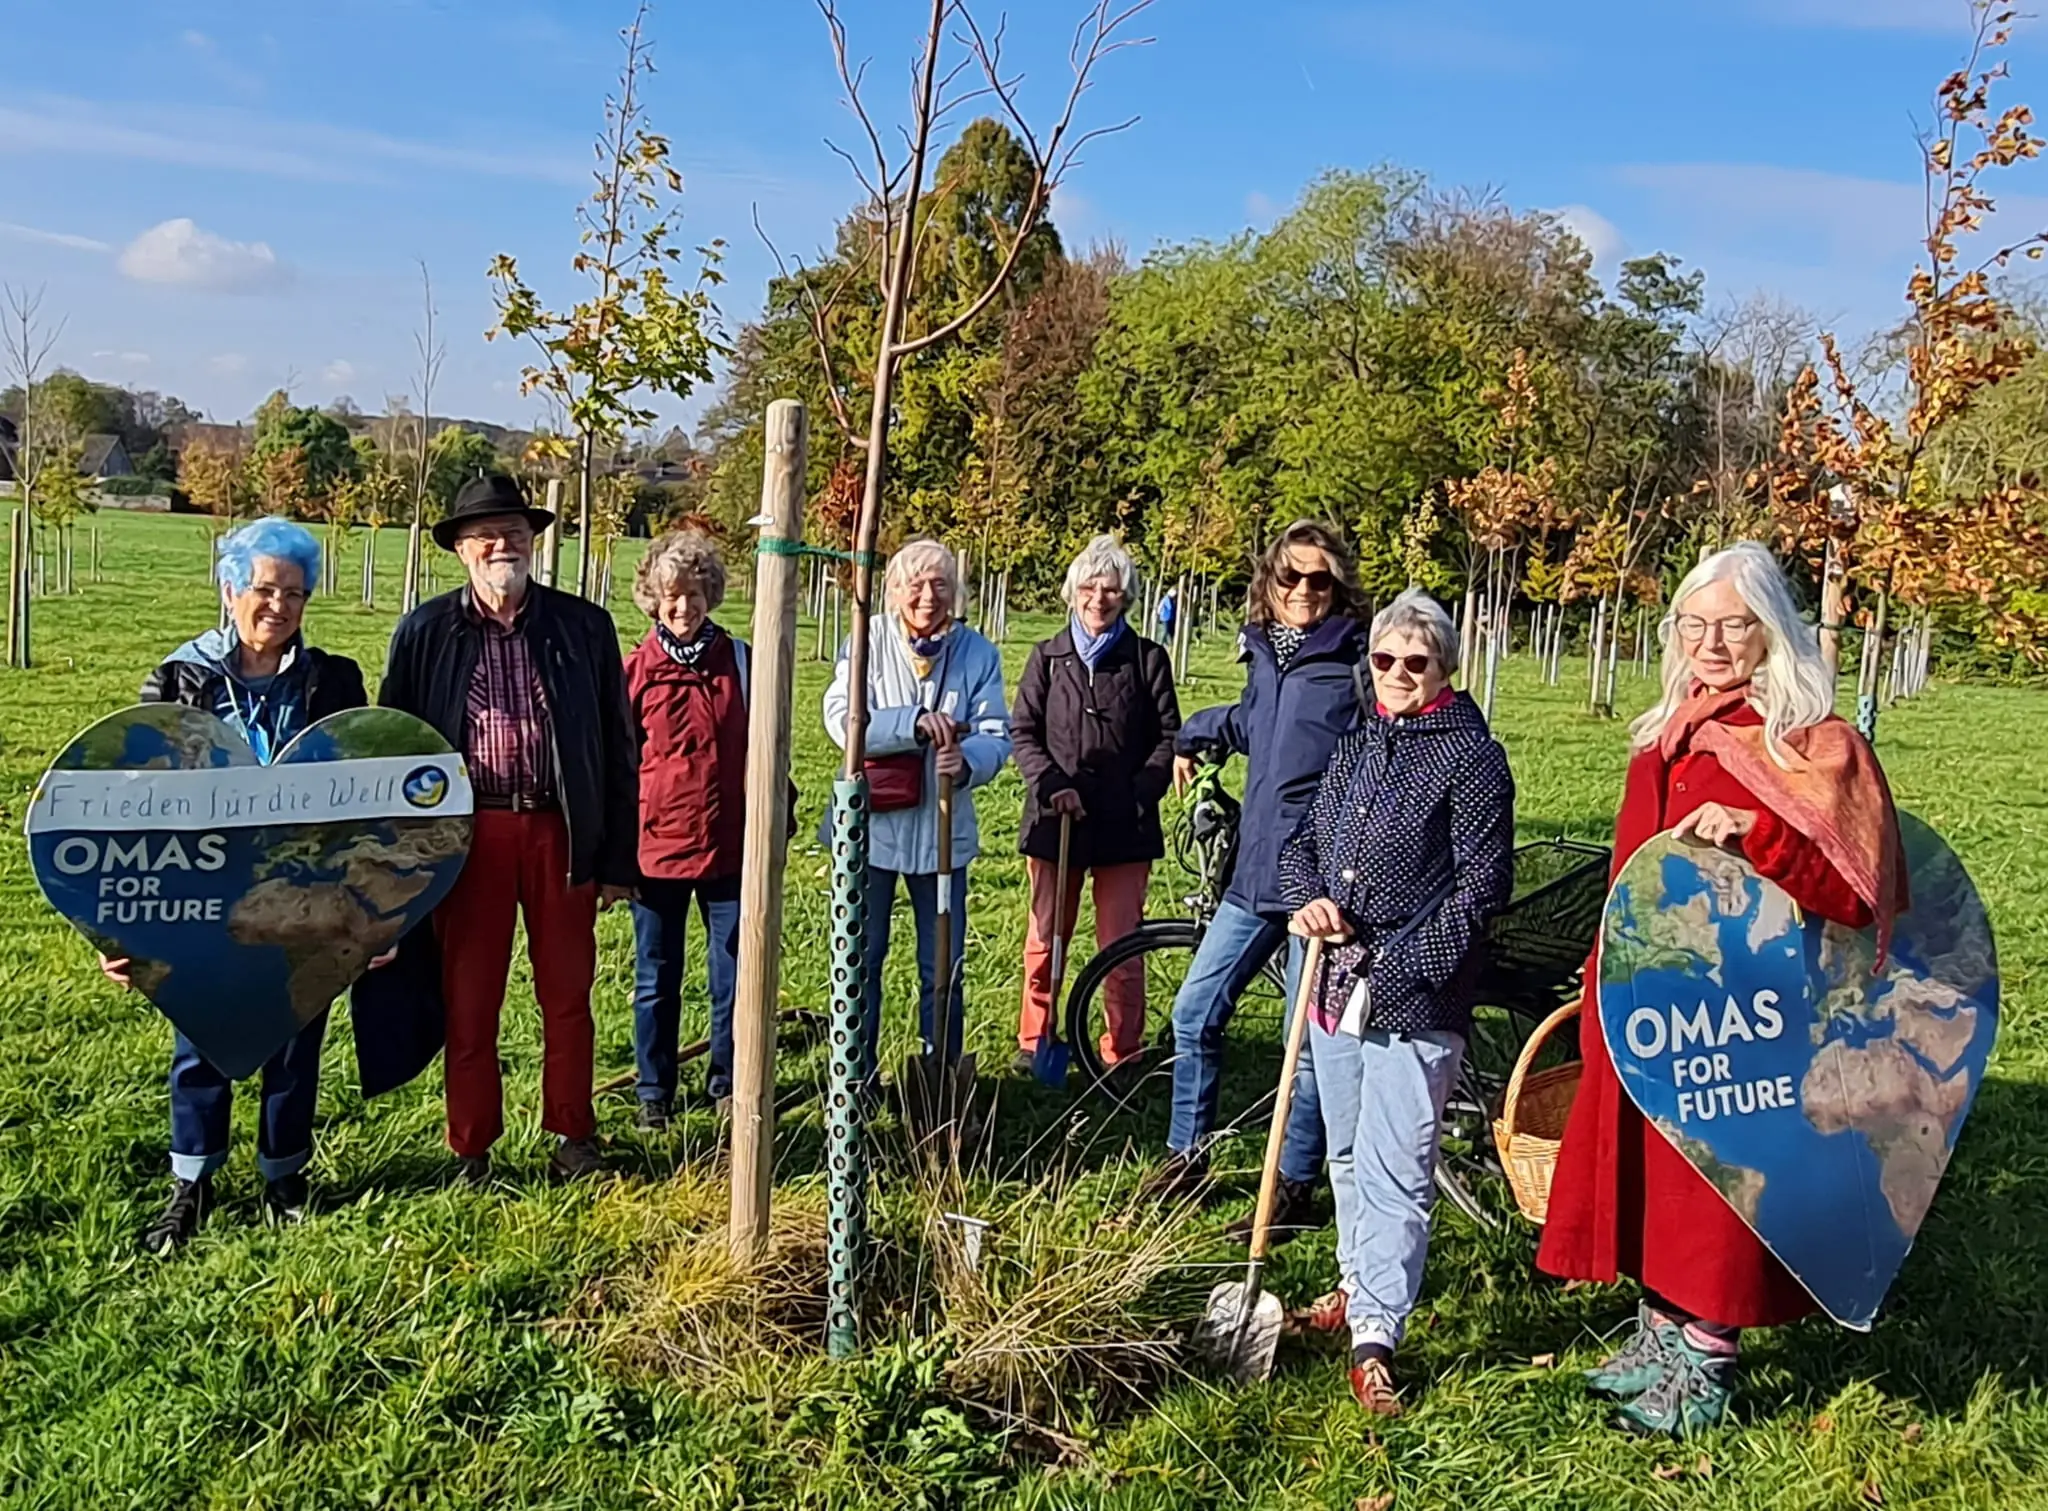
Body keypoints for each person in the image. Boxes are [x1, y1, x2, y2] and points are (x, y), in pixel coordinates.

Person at [1537, 541, 1907, 1437]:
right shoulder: (1665, 736)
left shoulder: (1810, 745)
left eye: (1732, 625)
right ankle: (1660, 1333)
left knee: (1719, 1188)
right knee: (1657, 1171)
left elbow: (1856, 889)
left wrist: (1757, 833)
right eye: (1693, 625)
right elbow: (1632, 874)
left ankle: (1706, 1359)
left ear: (1769, 633)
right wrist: (1601, 978)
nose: (1710, 642)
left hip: (1754, 1005)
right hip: (1656, 994)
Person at [1276, 588, 1515, 1417]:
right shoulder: (1359, 740)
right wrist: (1307, 899)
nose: (1399, 674)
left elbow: (1482, 884)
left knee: (1399, 1168)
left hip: (1416, 993)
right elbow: (1303, 842)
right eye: (1385, 659)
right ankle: (1354, 1286)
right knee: (1345, 1154)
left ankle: (1376, 1337)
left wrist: (1403, 964)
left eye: (1417, 662)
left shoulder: (1472, 757)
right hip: (1333, 982)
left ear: (1445, 667)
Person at [107, 518, 367, 1252]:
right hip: (202, 887)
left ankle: (284, 1174)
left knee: (295, 1028)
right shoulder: (177, 678)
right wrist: (123, 925)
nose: (277, 605)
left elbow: (356, 798)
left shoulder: (334, 679)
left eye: (293, 592)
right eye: (263, 588)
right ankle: (192, 1179)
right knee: (202, 1031)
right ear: (229, 590)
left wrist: (364, 912)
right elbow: (134, 802)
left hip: (300, 887)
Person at [380, 473, 639, 1184]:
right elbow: (391, 747)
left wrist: (617, 855)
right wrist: (402, 862)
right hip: (467, 837)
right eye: (487, 533)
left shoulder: (582, 625)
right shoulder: (425, 632)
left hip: (560, 830)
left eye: (517, 531)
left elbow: (619, 744)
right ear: (461, 549)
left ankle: (574, 1134)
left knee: (567, 994)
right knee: (470, 999)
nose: (504, 543)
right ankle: (470, 1146)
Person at [1143, 520, 1368, 1245]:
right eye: (1291, 577)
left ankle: (1294, 1185)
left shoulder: (1357, 661)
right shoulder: (1267, 654)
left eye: (1319, 580)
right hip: (1254, 870)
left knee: (1299, 1044)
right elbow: (1255, 723)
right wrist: (1196, 732)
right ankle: (1187, 1157)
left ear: (1338, 588)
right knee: (1193, 1011)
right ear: (1269, 584)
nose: (1304, 591)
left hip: (1320, 882)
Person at [823, 540, 1010, 1078]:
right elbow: (841, 717)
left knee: (942, 965)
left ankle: (940, 1072)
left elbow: (997, 731)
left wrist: (967, 760)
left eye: (940, 585)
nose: (928, 596)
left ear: (956, 592)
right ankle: (856, 1076)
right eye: (916, 584)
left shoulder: (978, 653)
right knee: (863, 957)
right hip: (872, 831)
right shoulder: (868, 640)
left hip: (943, 836)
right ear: (895, 590)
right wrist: (911, 723)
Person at [1009, 535, 1181, 1075]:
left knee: (1122, 948)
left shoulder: (1148, 658)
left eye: (1111, 589)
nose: (1098, 598)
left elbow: (1169, 736)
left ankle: (1121, 1052)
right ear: (1072, 592)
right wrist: (1051, 784)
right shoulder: (1048, 656)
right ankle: (1037, 1040)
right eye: (1089, 586)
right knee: (1046, 939)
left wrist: (1138, 793)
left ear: (1126, 597)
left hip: (1124, 827)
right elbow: (1023, 731)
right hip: (1055, 822)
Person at [623, 530, 749, 1127]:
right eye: (671, 596)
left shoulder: (741, 661)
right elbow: (617, 765)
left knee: (733, 977)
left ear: (710, 596)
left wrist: (779, 815)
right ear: (653, 600)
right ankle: (655, 1093)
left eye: (694, 594)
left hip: (729, 846)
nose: (683, 607)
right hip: (656, 851)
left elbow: (768, 748)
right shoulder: (633, 672)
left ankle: (728, 1084)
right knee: (656, 978)